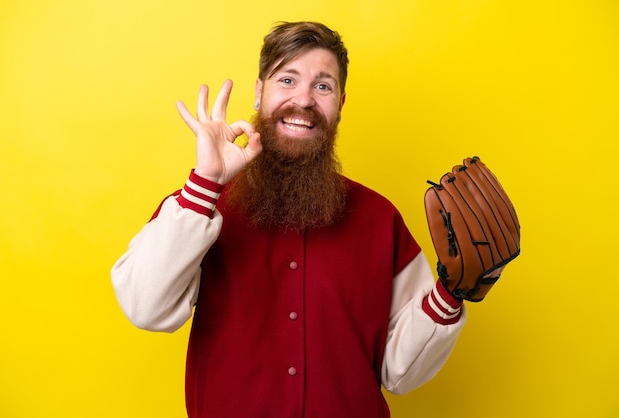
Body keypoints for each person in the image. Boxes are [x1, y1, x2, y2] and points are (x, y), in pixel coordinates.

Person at [111, 21, 466, 418]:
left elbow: (401, 373)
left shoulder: (380, 218)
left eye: (323, 86)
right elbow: (145, 308)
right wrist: (206, 182)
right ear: (260, 92)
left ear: (341, 104)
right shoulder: (200, 205)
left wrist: (450, 296)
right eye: (287, 79)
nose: (305, 100)